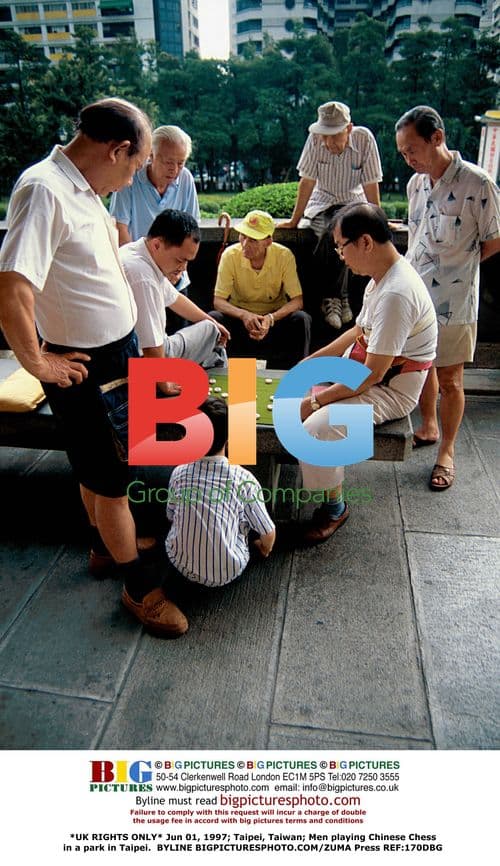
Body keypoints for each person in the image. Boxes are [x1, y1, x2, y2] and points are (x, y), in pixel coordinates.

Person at [0, 97, 187, 638]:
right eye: (134, 165)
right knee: (111, 479)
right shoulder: (44, 190)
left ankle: (106, 546)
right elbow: (12, 288)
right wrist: (38, 362)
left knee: (102, 467)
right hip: (83, 363)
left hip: (117, 349)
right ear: (116, 149)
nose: (133, 179)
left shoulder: (82, 188)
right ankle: (138, 585)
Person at [297, 203, 437, 544]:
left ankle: (335, 508)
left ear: (365, 242)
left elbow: (373, 376)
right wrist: (311, 363)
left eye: (340, 246)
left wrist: (318, 402)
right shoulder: (383, 277)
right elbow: (357, 332)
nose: (339, 255)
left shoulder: (396, 293)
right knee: (292, 388)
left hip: (392, 388)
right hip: (365, 366)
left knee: (318, 425)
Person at [395, 105, 500, 491]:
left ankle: (447, 452)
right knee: (421, 365)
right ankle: (428, 425)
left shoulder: (479, 183)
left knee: (451, 378)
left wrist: (460, 264)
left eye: (412, 150)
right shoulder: (415, 185)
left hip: (455, 297)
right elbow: (414, 237)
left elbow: (494, 239)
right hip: (415, 295)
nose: (408, 160)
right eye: (403, 154)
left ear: (437, 138)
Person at [280, 101, 383, 329]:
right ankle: (340, 297)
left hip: (353, 203)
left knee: (346, 231)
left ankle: (333, 297)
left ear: (349, 129)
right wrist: (294, 221)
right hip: (322, 203)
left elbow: (371, 182)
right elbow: (306, 181)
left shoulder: (364, 139)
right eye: (324, 136)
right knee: (333, 232)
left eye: (334, 136)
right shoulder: (315, 139)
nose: (327, 142)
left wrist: (378, 220)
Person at [165, 397, 276, 587]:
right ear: (228, 438)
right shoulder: (244, 479)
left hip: (180, 563)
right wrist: (263, 549)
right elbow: (268, 533)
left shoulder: (179, 472)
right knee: (247, 520)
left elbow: (170, 515)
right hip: (229, 571)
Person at [119, 209, 230, 395]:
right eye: (180, 260)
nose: (183, 268)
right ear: (157, 245)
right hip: (143, 360)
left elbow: (175, 298)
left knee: (211, 326)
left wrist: (212, 322)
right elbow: (151, 343)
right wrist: (164, 384)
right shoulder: (142, 276)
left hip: (138, 354)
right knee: (211, 333)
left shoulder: (138, 252)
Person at [211, 210, 311, 369]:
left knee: (301, 319)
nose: (245, 244)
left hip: (273, 321)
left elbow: (297, 301)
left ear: (268, 241)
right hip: (240, 320)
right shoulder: (229, 255)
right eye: (243, 236)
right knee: (214, 318)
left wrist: (270, 318)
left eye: (253, 240)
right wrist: (244, 315)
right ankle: (225, 379)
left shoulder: (284, 256)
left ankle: (293, 382)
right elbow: (218, 301)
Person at [109, 124, 200, 246]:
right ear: (151, 155)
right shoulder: (130, 176)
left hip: (172, 260)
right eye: (168, 162)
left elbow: (192, 229)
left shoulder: (186, 178)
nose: (174, 169)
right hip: (134, 258)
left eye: (180, 163)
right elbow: (119, 227)